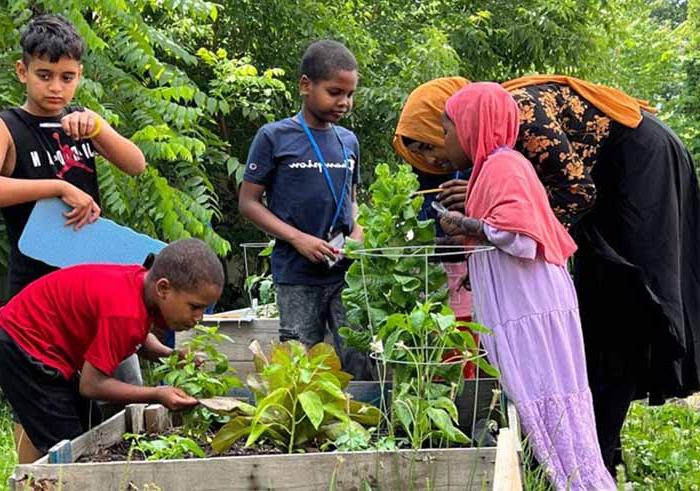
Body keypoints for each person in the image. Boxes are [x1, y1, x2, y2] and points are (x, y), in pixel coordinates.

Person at [393, 75, 700, 474]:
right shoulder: (496, 145)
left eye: (432, 144)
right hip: (598, 184)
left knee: (625, 303)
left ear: (456, 119)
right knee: (599, 311)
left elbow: (574, 192)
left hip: (639, 167)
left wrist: (491, 225)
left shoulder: (521, 118)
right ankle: (593, 444)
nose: (434, 163)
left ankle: (597, 449)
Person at [437, 82, 615, 490]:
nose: (443, 141)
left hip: (529, 304)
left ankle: (574, 481)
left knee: (541, 391)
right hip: (524, 301)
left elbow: (520, 238)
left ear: (472, 126)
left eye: (448, 129)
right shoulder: (492, 168)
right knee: (540, 397)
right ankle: (566, 479)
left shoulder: (504, 166)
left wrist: (466, 225)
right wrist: (465, 233)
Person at [0, 238, 222, 463]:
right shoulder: (124, 312)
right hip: (24, 348)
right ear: (163, 288)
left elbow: (139, 338)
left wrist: (170, 355)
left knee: (90, 427)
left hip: (42, 347)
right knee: (71, 451)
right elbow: (92, 385)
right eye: (194, 307)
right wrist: (156, 393)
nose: (199, 318)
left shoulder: (140, 286)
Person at [238, 40, 370, 379]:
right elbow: (248, 203)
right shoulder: (274, 137)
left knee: (358, 352)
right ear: (305, 85)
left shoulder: (348, 141)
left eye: (350, 94)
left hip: (345, 271)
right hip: (296, 273)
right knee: (299, 359)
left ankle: (366, 425)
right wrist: (298, 239)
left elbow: (350, 198)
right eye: (334, 92)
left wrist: (357, 231)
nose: (344, 102)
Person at [0, 14, 146, 299]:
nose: (56, 87)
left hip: (88, 280)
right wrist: (60, 187)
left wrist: (99, 128)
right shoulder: (8, 126)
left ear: (79, 74)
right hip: (34, 289)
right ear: (22, 71)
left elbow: (136, 164)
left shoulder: (83, 122)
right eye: (44, 75)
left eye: (67, 77)